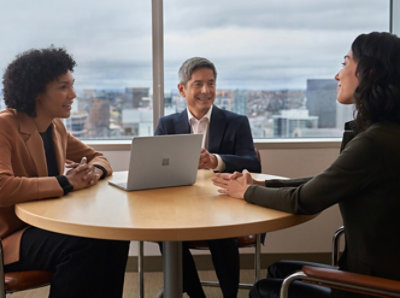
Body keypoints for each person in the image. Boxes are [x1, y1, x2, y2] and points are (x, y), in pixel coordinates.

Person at [213, 32, 400, 298]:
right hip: (379, 271)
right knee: (278, 271)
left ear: (369, 73)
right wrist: (261, 184)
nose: (338, 75)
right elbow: (326, 180)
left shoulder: (375, 142)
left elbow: (305, 199)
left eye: (345, 63)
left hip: (372, 287)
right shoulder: (385, 132)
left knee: (263, 290)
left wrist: (246, 192)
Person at [0, 47, 129, 298]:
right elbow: (2, 186)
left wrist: (93, 172)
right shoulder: (5, 126)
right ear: (36, 91)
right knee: (83, 244)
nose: (73, 94)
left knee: (114, 235)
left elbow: (98, 158)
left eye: (72, 85)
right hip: (12, 236)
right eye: (63, 87)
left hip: (45, 226)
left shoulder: (55, 127)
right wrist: (66, 183)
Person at [155, 57, 261, 298]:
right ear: (182, 89)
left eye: (211, 84)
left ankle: (229, 295)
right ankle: (195, 294)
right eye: (198, 84)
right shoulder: (167, 125)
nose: (206, 91)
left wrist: (216, 161)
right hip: (181, 207)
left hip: (224, 204)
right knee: (165, 234)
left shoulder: (236, 122)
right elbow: (156, 170)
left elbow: (252, 162)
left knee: (221, 233)